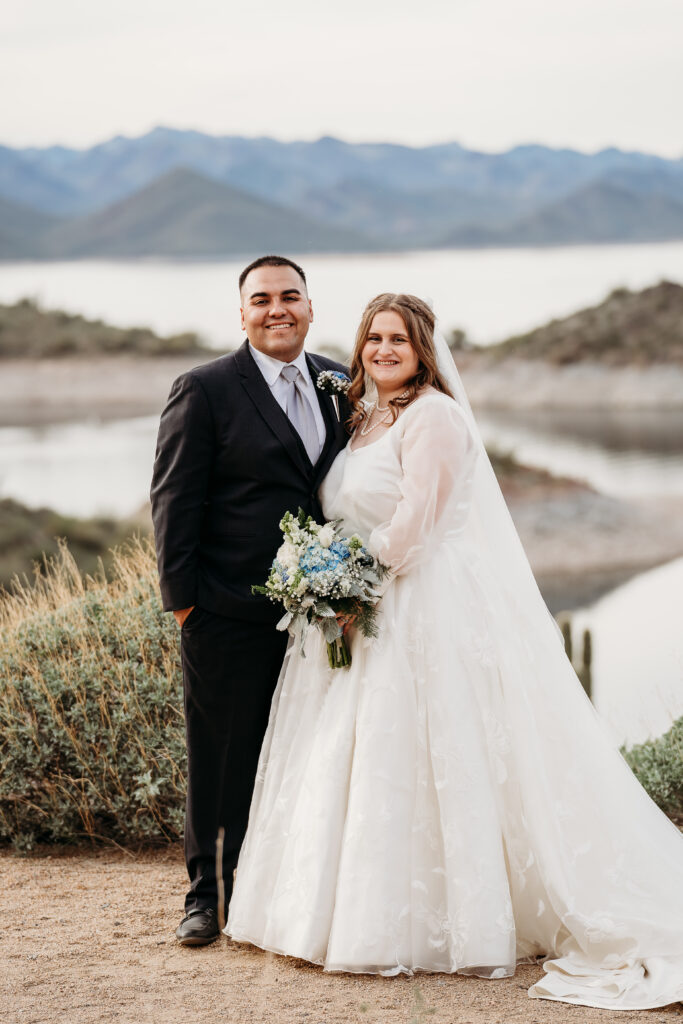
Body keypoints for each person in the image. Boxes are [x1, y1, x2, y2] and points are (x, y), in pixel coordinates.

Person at [225, 292, 683, 1010]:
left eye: (397, 340)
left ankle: (446, 922)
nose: (382, 350)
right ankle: (341, 910)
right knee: (367, 756)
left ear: (422, 349)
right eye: (373, 338)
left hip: (417, 610)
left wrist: (342, 580)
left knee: (427, 750)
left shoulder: (434, 416)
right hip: (364, 610)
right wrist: (321, 572)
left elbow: (416, 527)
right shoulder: (369, 417)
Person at [150, 255, 349, 946]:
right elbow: (174, 500)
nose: (277, 309)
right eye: (260, 299)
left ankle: (274, 891)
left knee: (301, 751)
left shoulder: (337, 381)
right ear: (241, 313)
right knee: (220, 754)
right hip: (226, 609)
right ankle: (204, 896)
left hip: (320, 613)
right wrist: (185, 605)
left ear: (309, 306)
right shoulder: (203, 389)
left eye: (289, 296)